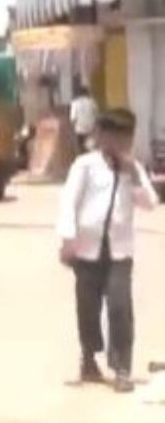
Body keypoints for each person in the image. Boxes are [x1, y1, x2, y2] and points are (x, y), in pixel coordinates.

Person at [57, 108, 158, 393]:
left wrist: (134, 175)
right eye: (114, 137)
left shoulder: (133, 169)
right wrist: (68, 238)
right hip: (87, 249)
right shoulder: (85, 165)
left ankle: (122, 367)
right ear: (101, 136)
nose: (120, 144)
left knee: (120, 307)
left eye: (126, 138)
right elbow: (69, 202)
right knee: (88, 308)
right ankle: (89, 357)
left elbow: (150, 203)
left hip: (119, 251)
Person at [69, 85, 99, 153]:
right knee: (92, 148)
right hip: (91, 128)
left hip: (80, 129)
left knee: (81, 148)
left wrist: (72, 130)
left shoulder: (75, 103)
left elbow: (73, 119)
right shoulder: (92, 102)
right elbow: (97, 115)